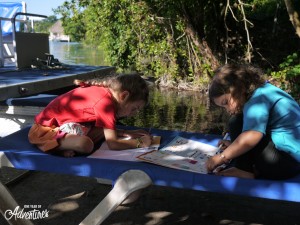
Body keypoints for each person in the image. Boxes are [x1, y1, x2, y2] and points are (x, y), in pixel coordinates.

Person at [205, 64, 300, 180]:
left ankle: (243, 170)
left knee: (236, 121)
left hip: (287, 163)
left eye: (226, 102)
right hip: (292, 159)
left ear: (237, 88)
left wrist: (222, 156)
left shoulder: (257, 101)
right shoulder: (264, 89)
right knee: (239, 120)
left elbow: (252, 135)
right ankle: (249, 167)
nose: (228, 110)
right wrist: (233, 146)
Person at [28, 73, 152, 157]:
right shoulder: (106, 104)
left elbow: (106, 131)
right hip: (44, 132)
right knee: (86, 145)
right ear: (124, 96)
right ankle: (49, 146)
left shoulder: (107, 95)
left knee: (100, 132)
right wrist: (140, 143)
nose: (134, 113)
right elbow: (113, 144)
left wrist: (127, 133)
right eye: (134, 108)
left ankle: (65, 144)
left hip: (64, 126)